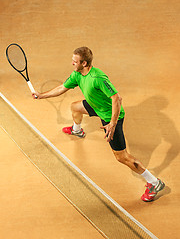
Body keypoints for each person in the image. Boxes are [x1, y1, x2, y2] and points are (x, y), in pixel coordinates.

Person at [32, 47, 165, 202]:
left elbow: (117, 99)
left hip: (110, 116)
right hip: (96, 106)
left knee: (121, 157)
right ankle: (77, 130)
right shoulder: (77, 74)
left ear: (84, 63)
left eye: (75, 61)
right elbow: (62, 87)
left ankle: (154, 183)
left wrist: (112, 123)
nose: (72, 63)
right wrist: (41, 96)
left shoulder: (98, 78)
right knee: (75, 107)